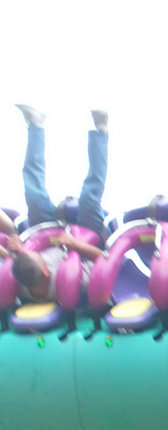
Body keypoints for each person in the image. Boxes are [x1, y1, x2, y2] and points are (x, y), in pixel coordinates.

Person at [7, 105, 108, 302]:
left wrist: (15, 248)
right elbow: (104, 259)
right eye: (38, 257)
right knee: (89, 196)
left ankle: (35, 125)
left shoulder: (25, 281)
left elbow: (22, 263)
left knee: (33, 193)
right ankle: (101, 130)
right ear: (46, 270)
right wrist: (75, 244)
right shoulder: (76, 280)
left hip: (48, 233)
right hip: (83, 239)